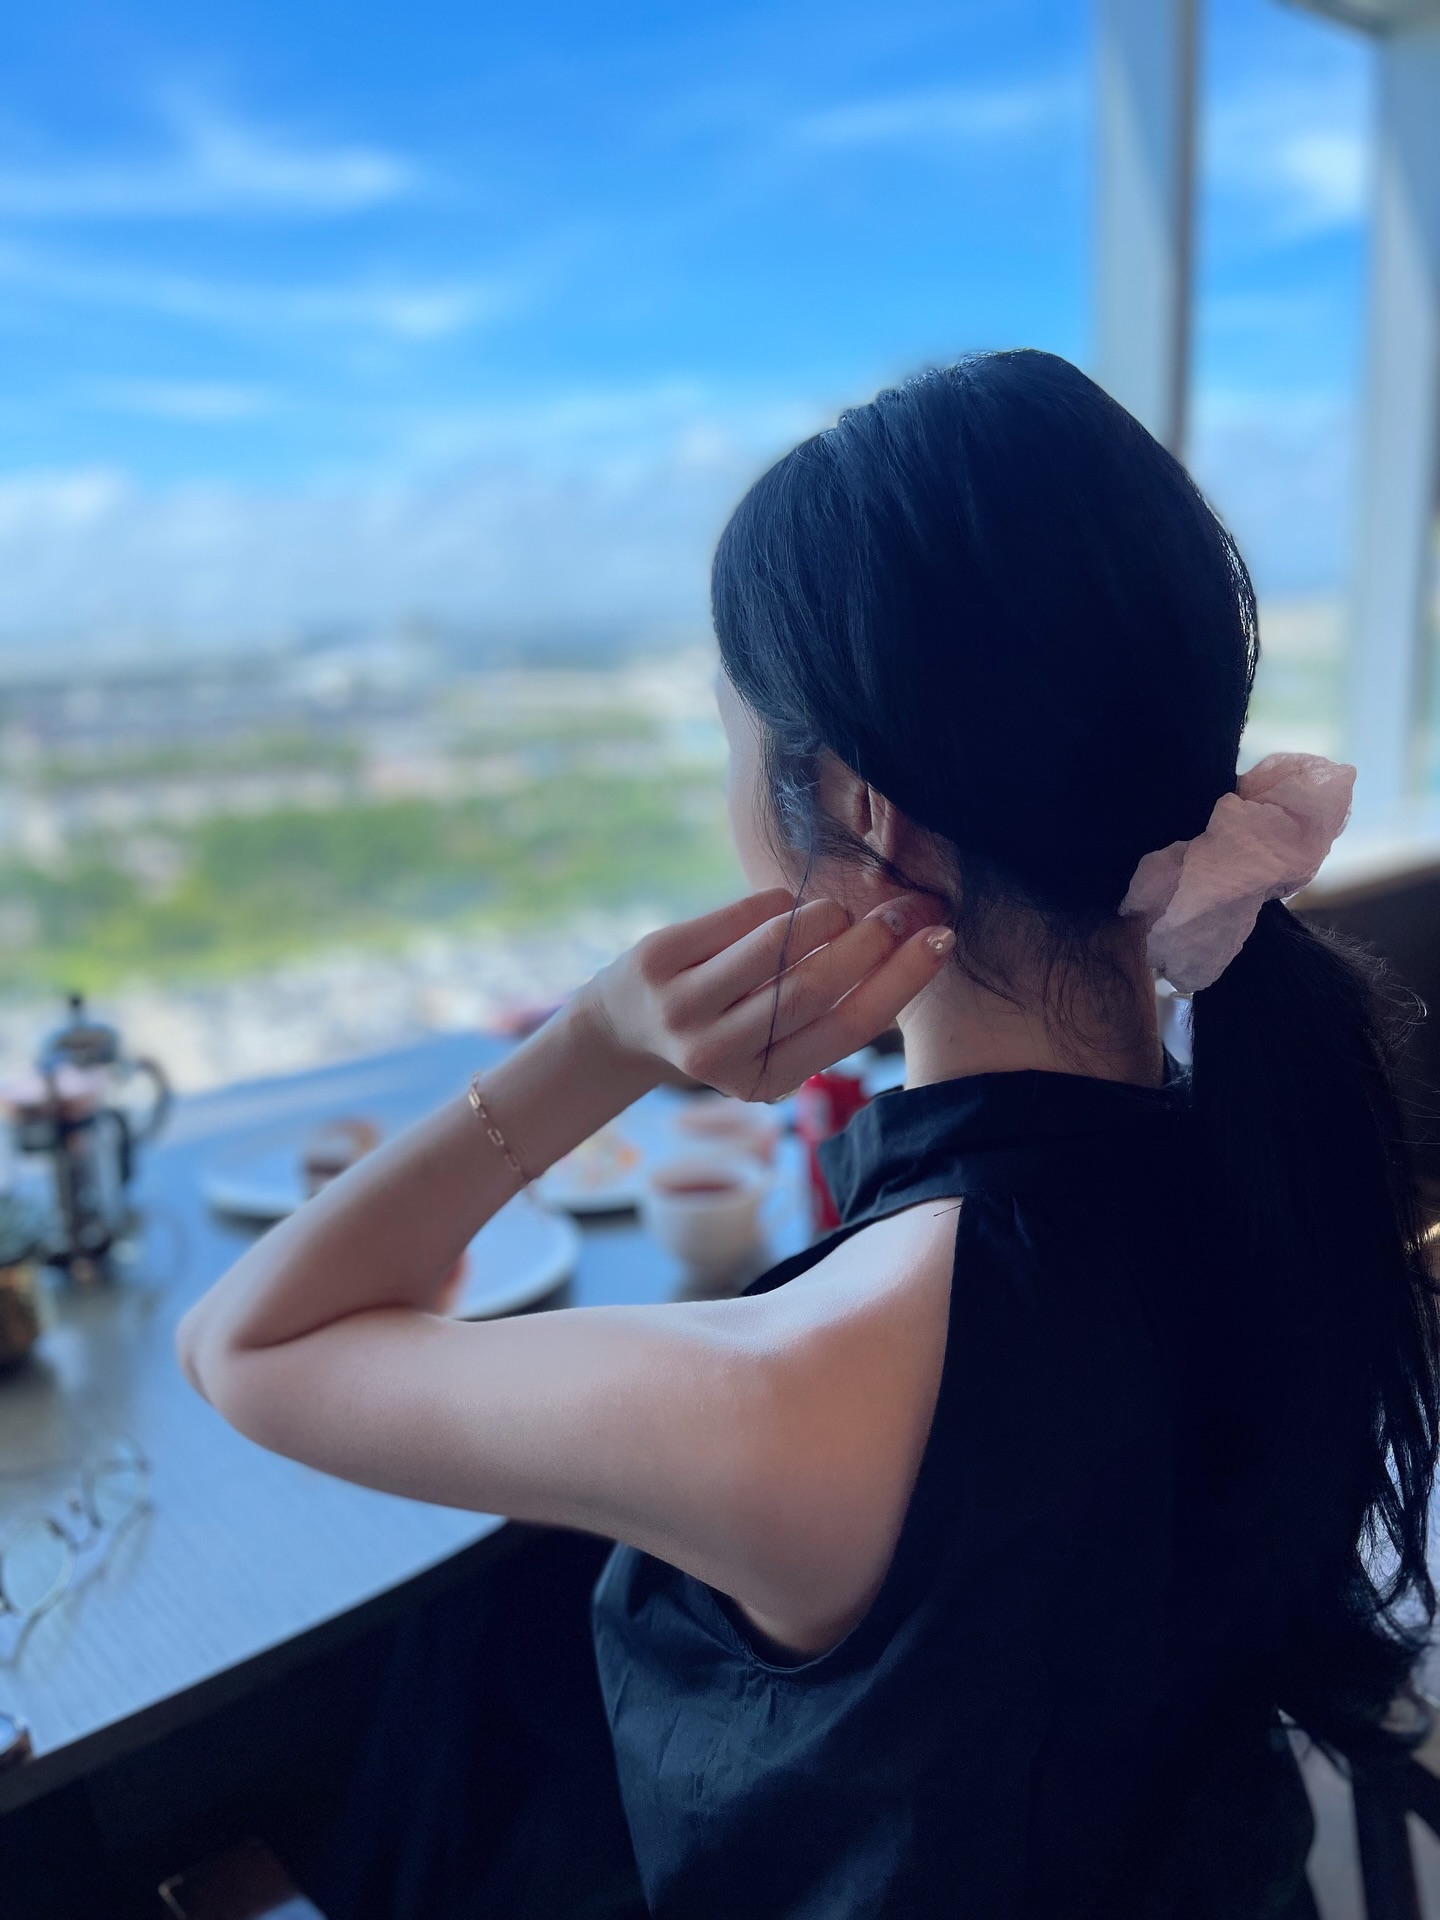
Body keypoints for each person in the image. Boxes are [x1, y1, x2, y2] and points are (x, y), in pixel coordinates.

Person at [176, 350, 1440, 1918]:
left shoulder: (806, 1390)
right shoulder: (1273, 1156)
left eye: (734, 737)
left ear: (857, 808)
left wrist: (596, 1041)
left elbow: (249, 1345)